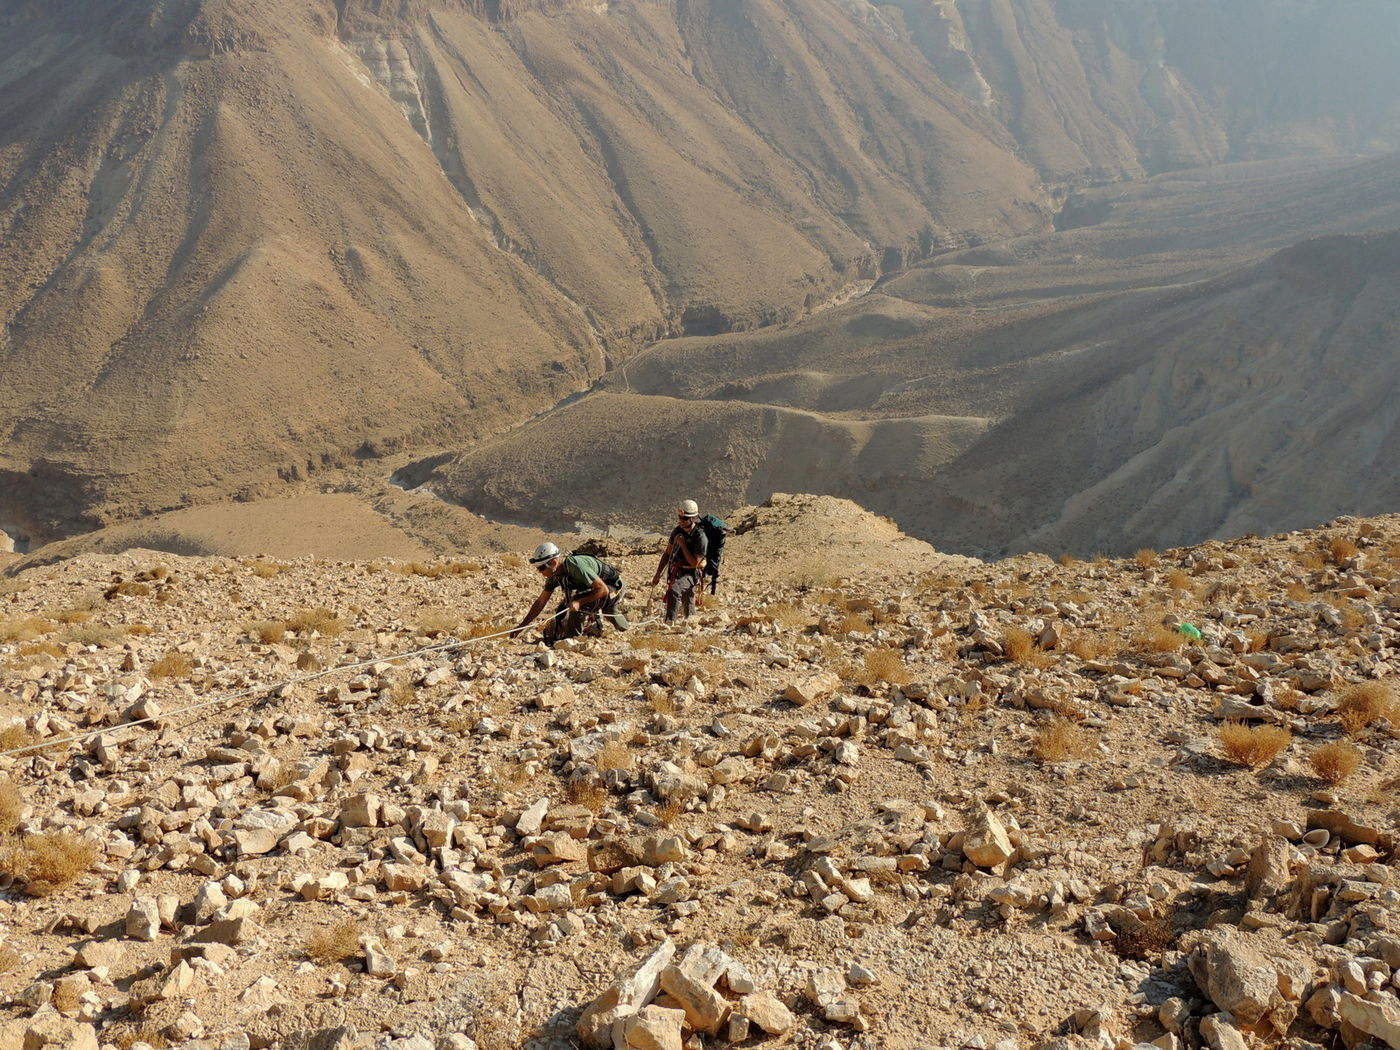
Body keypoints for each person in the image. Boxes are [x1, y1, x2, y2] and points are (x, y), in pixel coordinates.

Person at [511, 542, 628, 643]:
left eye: (541, 568)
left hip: (614, 587)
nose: (540, 572)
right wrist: (522, 626)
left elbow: (603, 590)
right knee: (607, 610)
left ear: (553, 562)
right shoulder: (554, 575)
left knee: (579, 604)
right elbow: (541, 602)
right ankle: (626, 631)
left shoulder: (575, 566)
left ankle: (572, 641)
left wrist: (579, 602)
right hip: (600, 588)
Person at [651, 499, 708, 621]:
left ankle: (670, 622)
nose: (681, 521)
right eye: (680, 517)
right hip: (678, 570)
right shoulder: (677, 531)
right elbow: (667, 554)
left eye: (684, 519)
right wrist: (657, 574)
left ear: (692, 519)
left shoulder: (700, 536)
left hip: (692, 573)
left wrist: (682, 545)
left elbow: (694, 563)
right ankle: (691, 623)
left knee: (675, 590)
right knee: (687, 598)